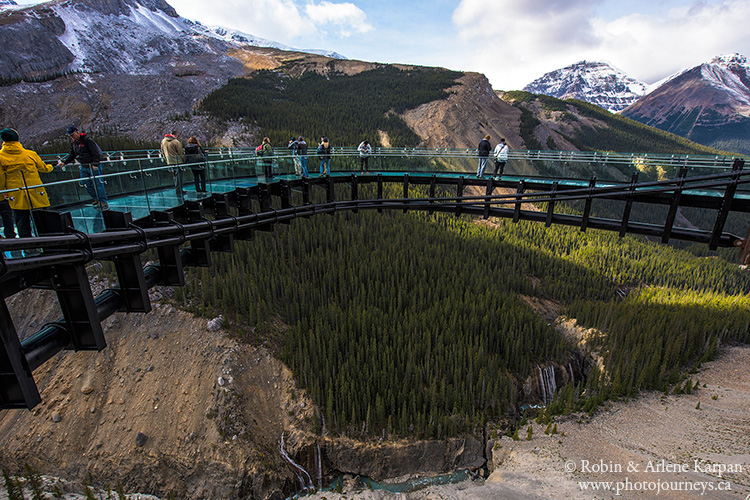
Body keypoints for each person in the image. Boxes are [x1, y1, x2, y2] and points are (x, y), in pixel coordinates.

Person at [0, 128, 53, 238]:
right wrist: (51, 166)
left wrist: (2, 195)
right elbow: (43, 168)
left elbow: (1, 178)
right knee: (42, 219)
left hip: (16, 193)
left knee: (21, 220)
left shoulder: (1, 157)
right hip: (36, 191)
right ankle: (47, 243)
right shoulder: (30, 154)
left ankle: (28, 245)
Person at [58, 126, 109, 210]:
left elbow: (96, 152)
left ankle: (102, 200)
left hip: (92, 165)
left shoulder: (87, 141)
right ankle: (96, 198)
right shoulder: (74, 144)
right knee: (85, 183)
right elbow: (72, 154)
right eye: (70, 135)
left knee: (98, 183)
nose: (72, 136)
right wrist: (65, 162)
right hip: (84, 166)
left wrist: (95, 164)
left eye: (72, 134)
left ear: (77, 132)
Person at [160, 130, 185, 195]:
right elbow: (181, 152)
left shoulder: (163, 141)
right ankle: (179, 191)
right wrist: (184, 160)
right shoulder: (176, 142)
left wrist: (166, 159)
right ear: (176, 135)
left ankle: (177, 190)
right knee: (179, 177)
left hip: (169, 161)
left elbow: (162, 151)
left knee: (175, 177)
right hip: (178, 161)